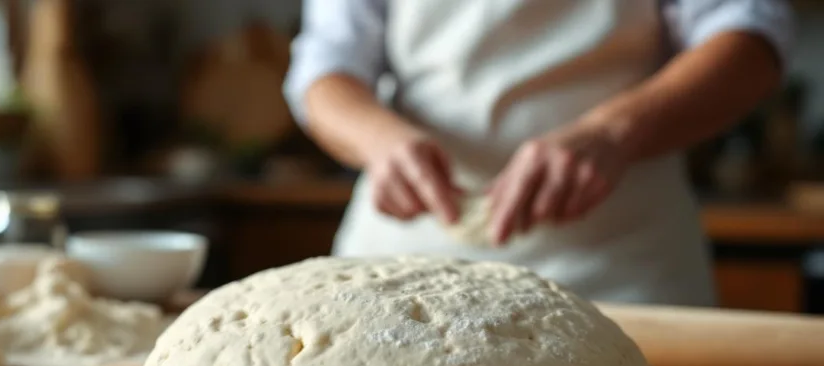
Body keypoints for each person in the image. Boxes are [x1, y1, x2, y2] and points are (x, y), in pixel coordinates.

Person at [283, 0, 793, 306]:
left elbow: (751, 38)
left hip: (623, 269)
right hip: (401, 261)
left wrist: (615, 132)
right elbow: (326, 65)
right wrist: (379, 139)